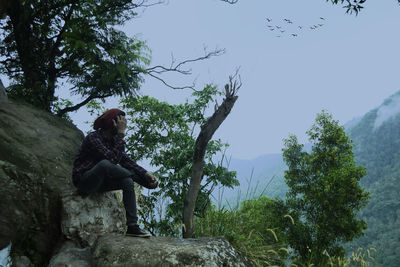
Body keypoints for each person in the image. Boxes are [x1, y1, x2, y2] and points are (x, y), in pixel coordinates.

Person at [72, 108, 158, 238]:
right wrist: (121, 134)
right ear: (113, 122)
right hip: (84, 183)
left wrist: (146, 174)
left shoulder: (114, 141)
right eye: (121, 120)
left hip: (101, 184)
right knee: (105, 164)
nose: (124, 123)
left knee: (127, 181)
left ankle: (132, 227)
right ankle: (144, 182)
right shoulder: (93, 137)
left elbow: (126, 161)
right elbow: (111, 160)